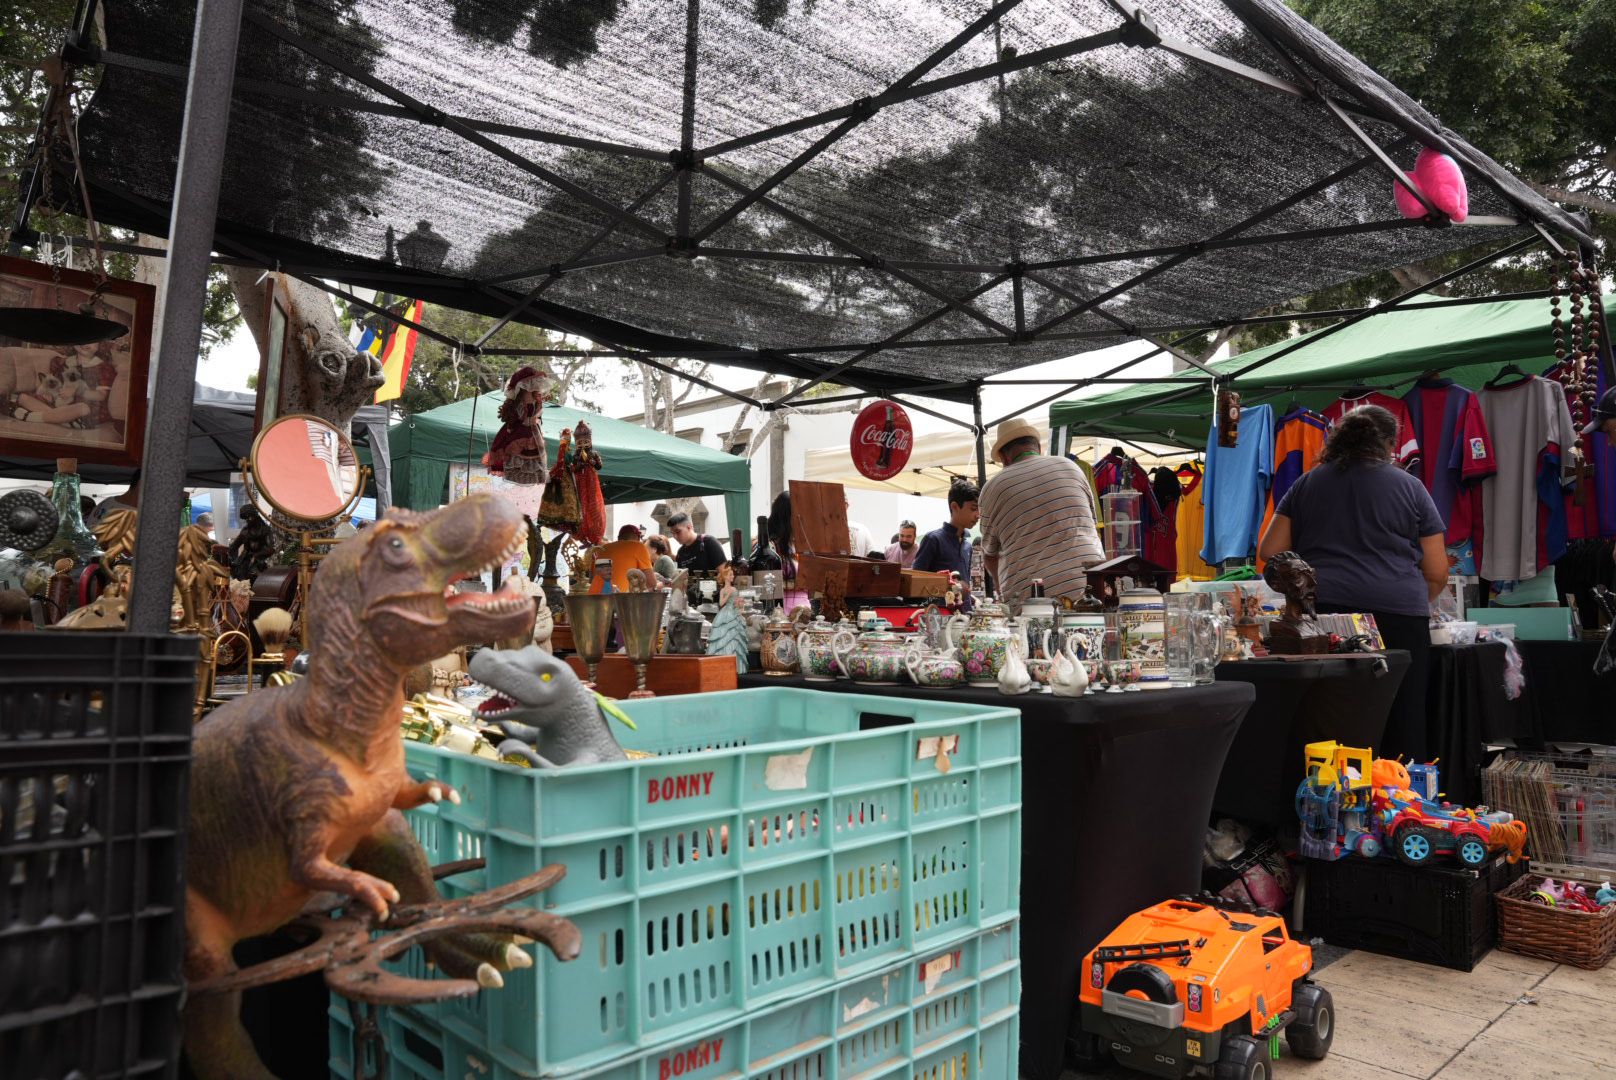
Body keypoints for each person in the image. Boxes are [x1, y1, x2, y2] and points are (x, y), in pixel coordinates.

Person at [1258, 405, 1447, 757]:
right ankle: (1399, 788)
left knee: (1332, 714)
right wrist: (1415, 600)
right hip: (1399, 616)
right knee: (1402, 715)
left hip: (1324, 614)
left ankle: (1328, 788)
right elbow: (1437, 570)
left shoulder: (1307, 483)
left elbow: (1270, 550)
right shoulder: (1411, 487)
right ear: (1389, 444)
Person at [977, 418, 1103, 609]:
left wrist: (999, 587)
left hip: (1032, 598)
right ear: (1038, 447)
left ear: (1003, 457)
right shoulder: (1071, 467)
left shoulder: (993, 488)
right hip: (1090, 586)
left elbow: (989, 554)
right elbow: (1091, 524)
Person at [913, 481, 979, 581]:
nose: (978, 515)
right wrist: (949, 585)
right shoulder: (933, 540)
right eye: (973, 509)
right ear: (955, 507)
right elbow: (915, 580)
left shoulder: (968, 546)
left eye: (979, 509)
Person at [590, 523, 655, 593]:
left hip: (597, 597)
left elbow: (591, 580)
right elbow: (651, 583)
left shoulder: (602, 548)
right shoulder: (638, 546)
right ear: (638, 538)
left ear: (619, 538)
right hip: (621, 598)